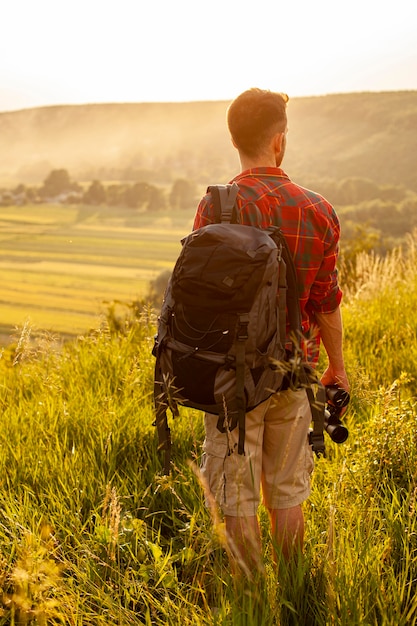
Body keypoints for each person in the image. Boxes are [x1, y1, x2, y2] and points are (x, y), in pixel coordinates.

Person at [192, 88, 349, 574]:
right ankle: (297, 591)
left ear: (234, 139)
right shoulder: (318, 209)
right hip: (294, 372)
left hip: (229, 380)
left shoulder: (216, 206)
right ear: (279, 140)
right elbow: (326, 304)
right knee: (286, 491)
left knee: (235, 496)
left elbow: (198, 296)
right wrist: (337, 369)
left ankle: (250, 601)